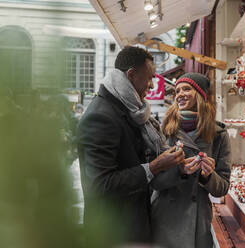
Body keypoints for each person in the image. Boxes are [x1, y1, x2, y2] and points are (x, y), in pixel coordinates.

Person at [76, 46, 185, 246]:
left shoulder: (127, 109)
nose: (152, 85)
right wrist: (154, 166)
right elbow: (99, 185)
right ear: (132, 75)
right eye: (150, 77)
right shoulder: (101, 116)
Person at [151, 72, 232, 248]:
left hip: (198, 222)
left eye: (186, 89)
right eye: (177, 91)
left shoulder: (218, 135)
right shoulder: (163, 132)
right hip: (166, 219)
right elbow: (153, 181)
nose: (180, 94)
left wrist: (207, 176)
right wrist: (179, 171)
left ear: (201, 95)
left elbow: (223, 188)